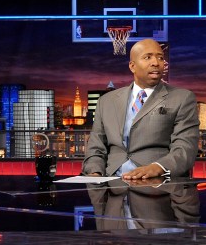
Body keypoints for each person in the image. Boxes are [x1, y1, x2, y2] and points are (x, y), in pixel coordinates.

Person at [82, 38, 199, 179]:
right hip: (112, 184)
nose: (156, 63)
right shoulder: (106, 101)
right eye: (147, 57)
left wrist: (158, 168)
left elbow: (185, 148)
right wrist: (95, 173)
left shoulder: (182, 98)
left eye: (160, 58)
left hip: (157, 184)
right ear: (132, 66)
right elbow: (96, 147)